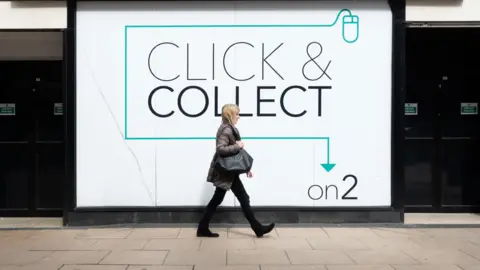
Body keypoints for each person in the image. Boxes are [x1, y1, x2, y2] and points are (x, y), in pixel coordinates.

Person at [197, 104, 275, 238]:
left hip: (228, 172)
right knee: (235, 199)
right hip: (225, 172)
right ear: (230, 115)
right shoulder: (226, 130)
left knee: (232, 198)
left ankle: (203, 228)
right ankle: (257, 228)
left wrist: (246, 168)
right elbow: (221, 149)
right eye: (237, 114)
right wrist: (237, 145)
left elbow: (236, 156)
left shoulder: (230, 129)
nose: (239, 117)